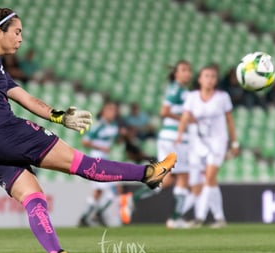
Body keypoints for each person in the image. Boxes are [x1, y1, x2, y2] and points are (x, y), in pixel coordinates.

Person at [0, 8, 176, 253]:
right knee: (83, 164)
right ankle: (148, 173)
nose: (21, 38)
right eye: (17, 32)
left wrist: (58, 116)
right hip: (5, 132)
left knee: (34, 197)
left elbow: (26, 99)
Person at [120, 60, 200, 228]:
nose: (187, 73)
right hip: (174, 138)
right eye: (183, 70)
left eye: (189, 70)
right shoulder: (176, 89)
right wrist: (186, 120)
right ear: (176, 73)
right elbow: (164, 112)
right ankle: (174, 219)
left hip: (170, 138)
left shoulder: (180, 89)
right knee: (183, 176)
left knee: (168, 179)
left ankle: (132, 198)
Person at [177, 65, 239, 228]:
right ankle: (220, 218)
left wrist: (234, 142)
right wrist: (179, 135)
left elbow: (229, 121)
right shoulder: (192, 97)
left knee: (209, 177)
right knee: (210, 182)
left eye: (212, 76)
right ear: (200, 79)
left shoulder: (222, 97)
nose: (209, 79)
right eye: (206, 76)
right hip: (198, 143)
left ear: (216, 80)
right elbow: (184, 117)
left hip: (218, 142)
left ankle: (200, 217)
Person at [79, 101, 121, 227]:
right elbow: (85, 142)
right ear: (104, 112)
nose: (113, 113)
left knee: (105, 190)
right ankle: (89, 216)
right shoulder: (98, 125)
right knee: (100, 189)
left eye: (114, 111)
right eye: (110, 110)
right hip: (96, 158)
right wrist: (100, 147)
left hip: (105, 158)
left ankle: (90, 216)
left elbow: (115, 141)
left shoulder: (114, 125)